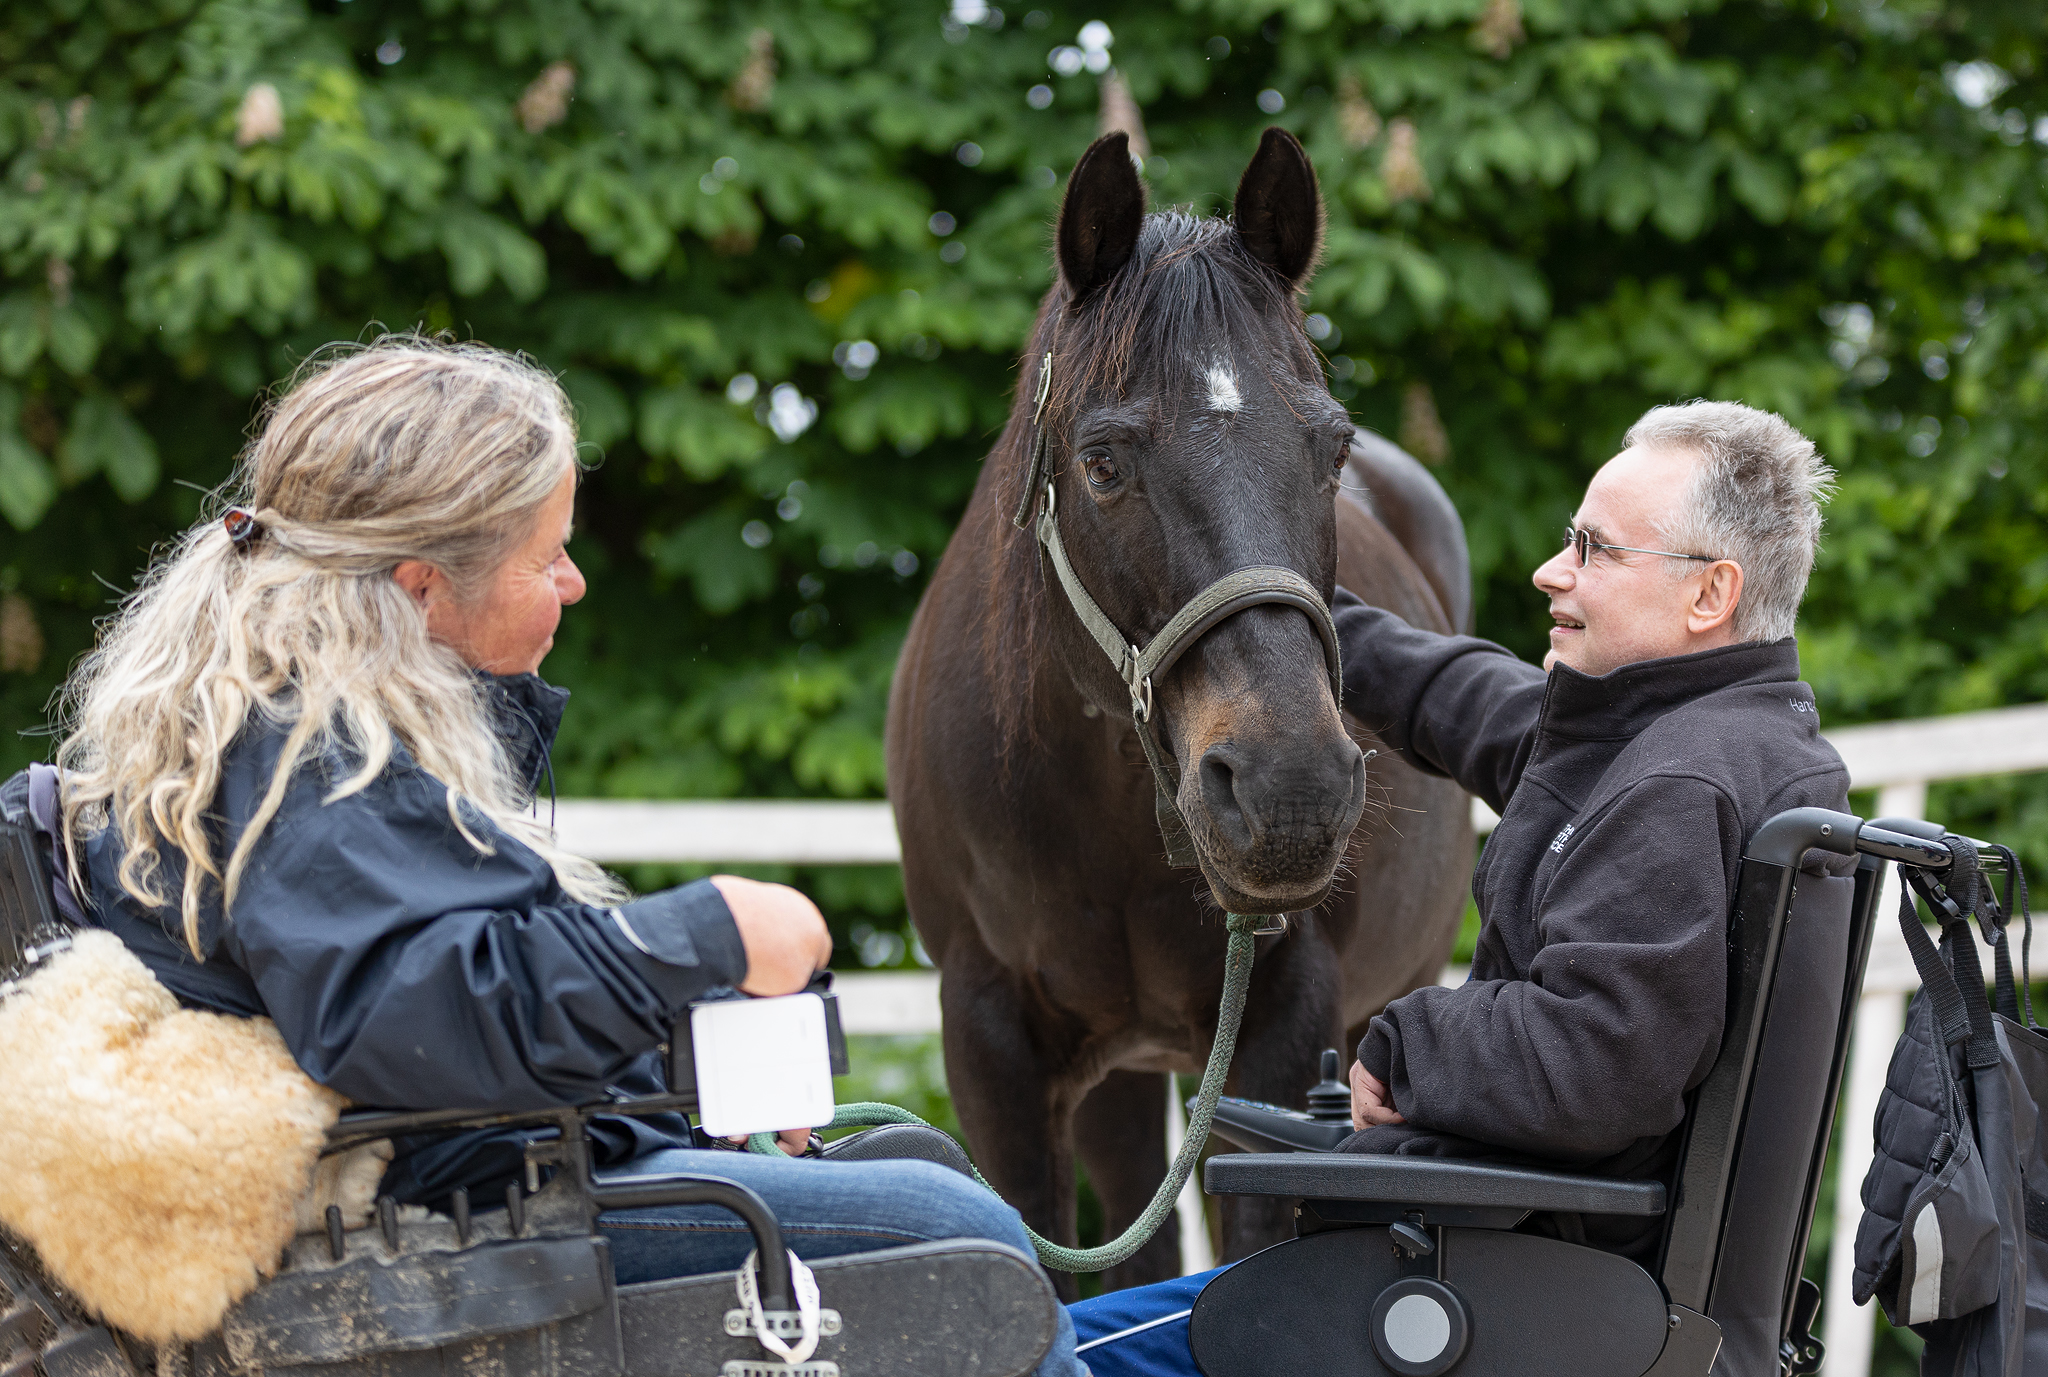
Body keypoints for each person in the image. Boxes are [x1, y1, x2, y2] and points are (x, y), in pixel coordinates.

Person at [50, 337, 1085, 1377]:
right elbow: (401, 1012)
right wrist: (709, 932)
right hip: (465, 1225)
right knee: (961, 1238)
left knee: (924, 1172)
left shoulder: (287, 730)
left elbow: (430, 976)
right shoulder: (315, 755)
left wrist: (674, 1075)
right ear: (419, 589)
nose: (575, 582)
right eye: (544, 557)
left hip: (484, 1184)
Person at [1071, 399, 1847, 1375]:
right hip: (1512, 1260)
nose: (1549, 571)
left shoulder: (1677, 788)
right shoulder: (1690, 739)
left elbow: (1599, 1057)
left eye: (1595, 552)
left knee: (1041, 1346)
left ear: (1708, 596)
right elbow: (1448, 692)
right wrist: (1262, 608)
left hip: (1502, 1291)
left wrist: (1402, 1042)